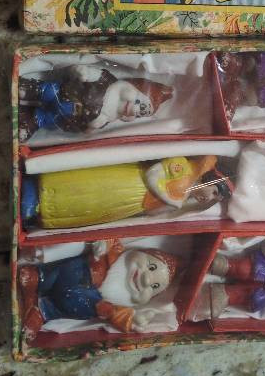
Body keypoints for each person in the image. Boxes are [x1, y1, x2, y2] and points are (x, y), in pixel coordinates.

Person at [19, 240, 182, 339]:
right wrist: (103, 243)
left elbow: (120, 317)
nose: (146, 280)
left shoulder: (116, 306)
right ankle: (38, 278)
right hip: (71, 273)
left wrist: (134, 320)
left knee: (57, 309)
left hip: (66, 306)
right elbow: (109, 238)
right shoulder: (116, 253)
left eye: (154, 287)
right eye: (151, 267)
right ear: (140, 253)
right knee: (54, 274)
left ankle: (40, 313)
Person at [21, 155, 235, 229]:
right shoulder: (184, 168)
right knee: (88, 189)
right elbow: (152, 174)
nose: (209, 198)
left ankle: (44, 212)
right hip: (130, 183)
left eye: (214, 199)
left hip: (131, 204)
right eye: (214, 192)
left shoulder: (186, 197)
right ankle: (37, 193)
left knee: (91, 207)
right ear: (209, 178)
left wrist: (166, 207)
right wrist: (168, 199)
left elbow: (150, 213)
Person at [18, 64, 173, 142]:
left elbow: (87, 130)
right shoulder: (107, 81)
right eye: (138, 102)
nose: (133, 111)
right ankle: (33, 89)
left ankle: (34, 120)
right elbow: (89, 72)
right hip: (62, 94)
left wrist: (91, 128)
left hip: (60, 118)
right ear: (133, 85)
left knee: (47, 120)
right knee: (48, 91)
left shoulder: (107, 119)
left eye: (139, 115)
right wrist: (83, 72)